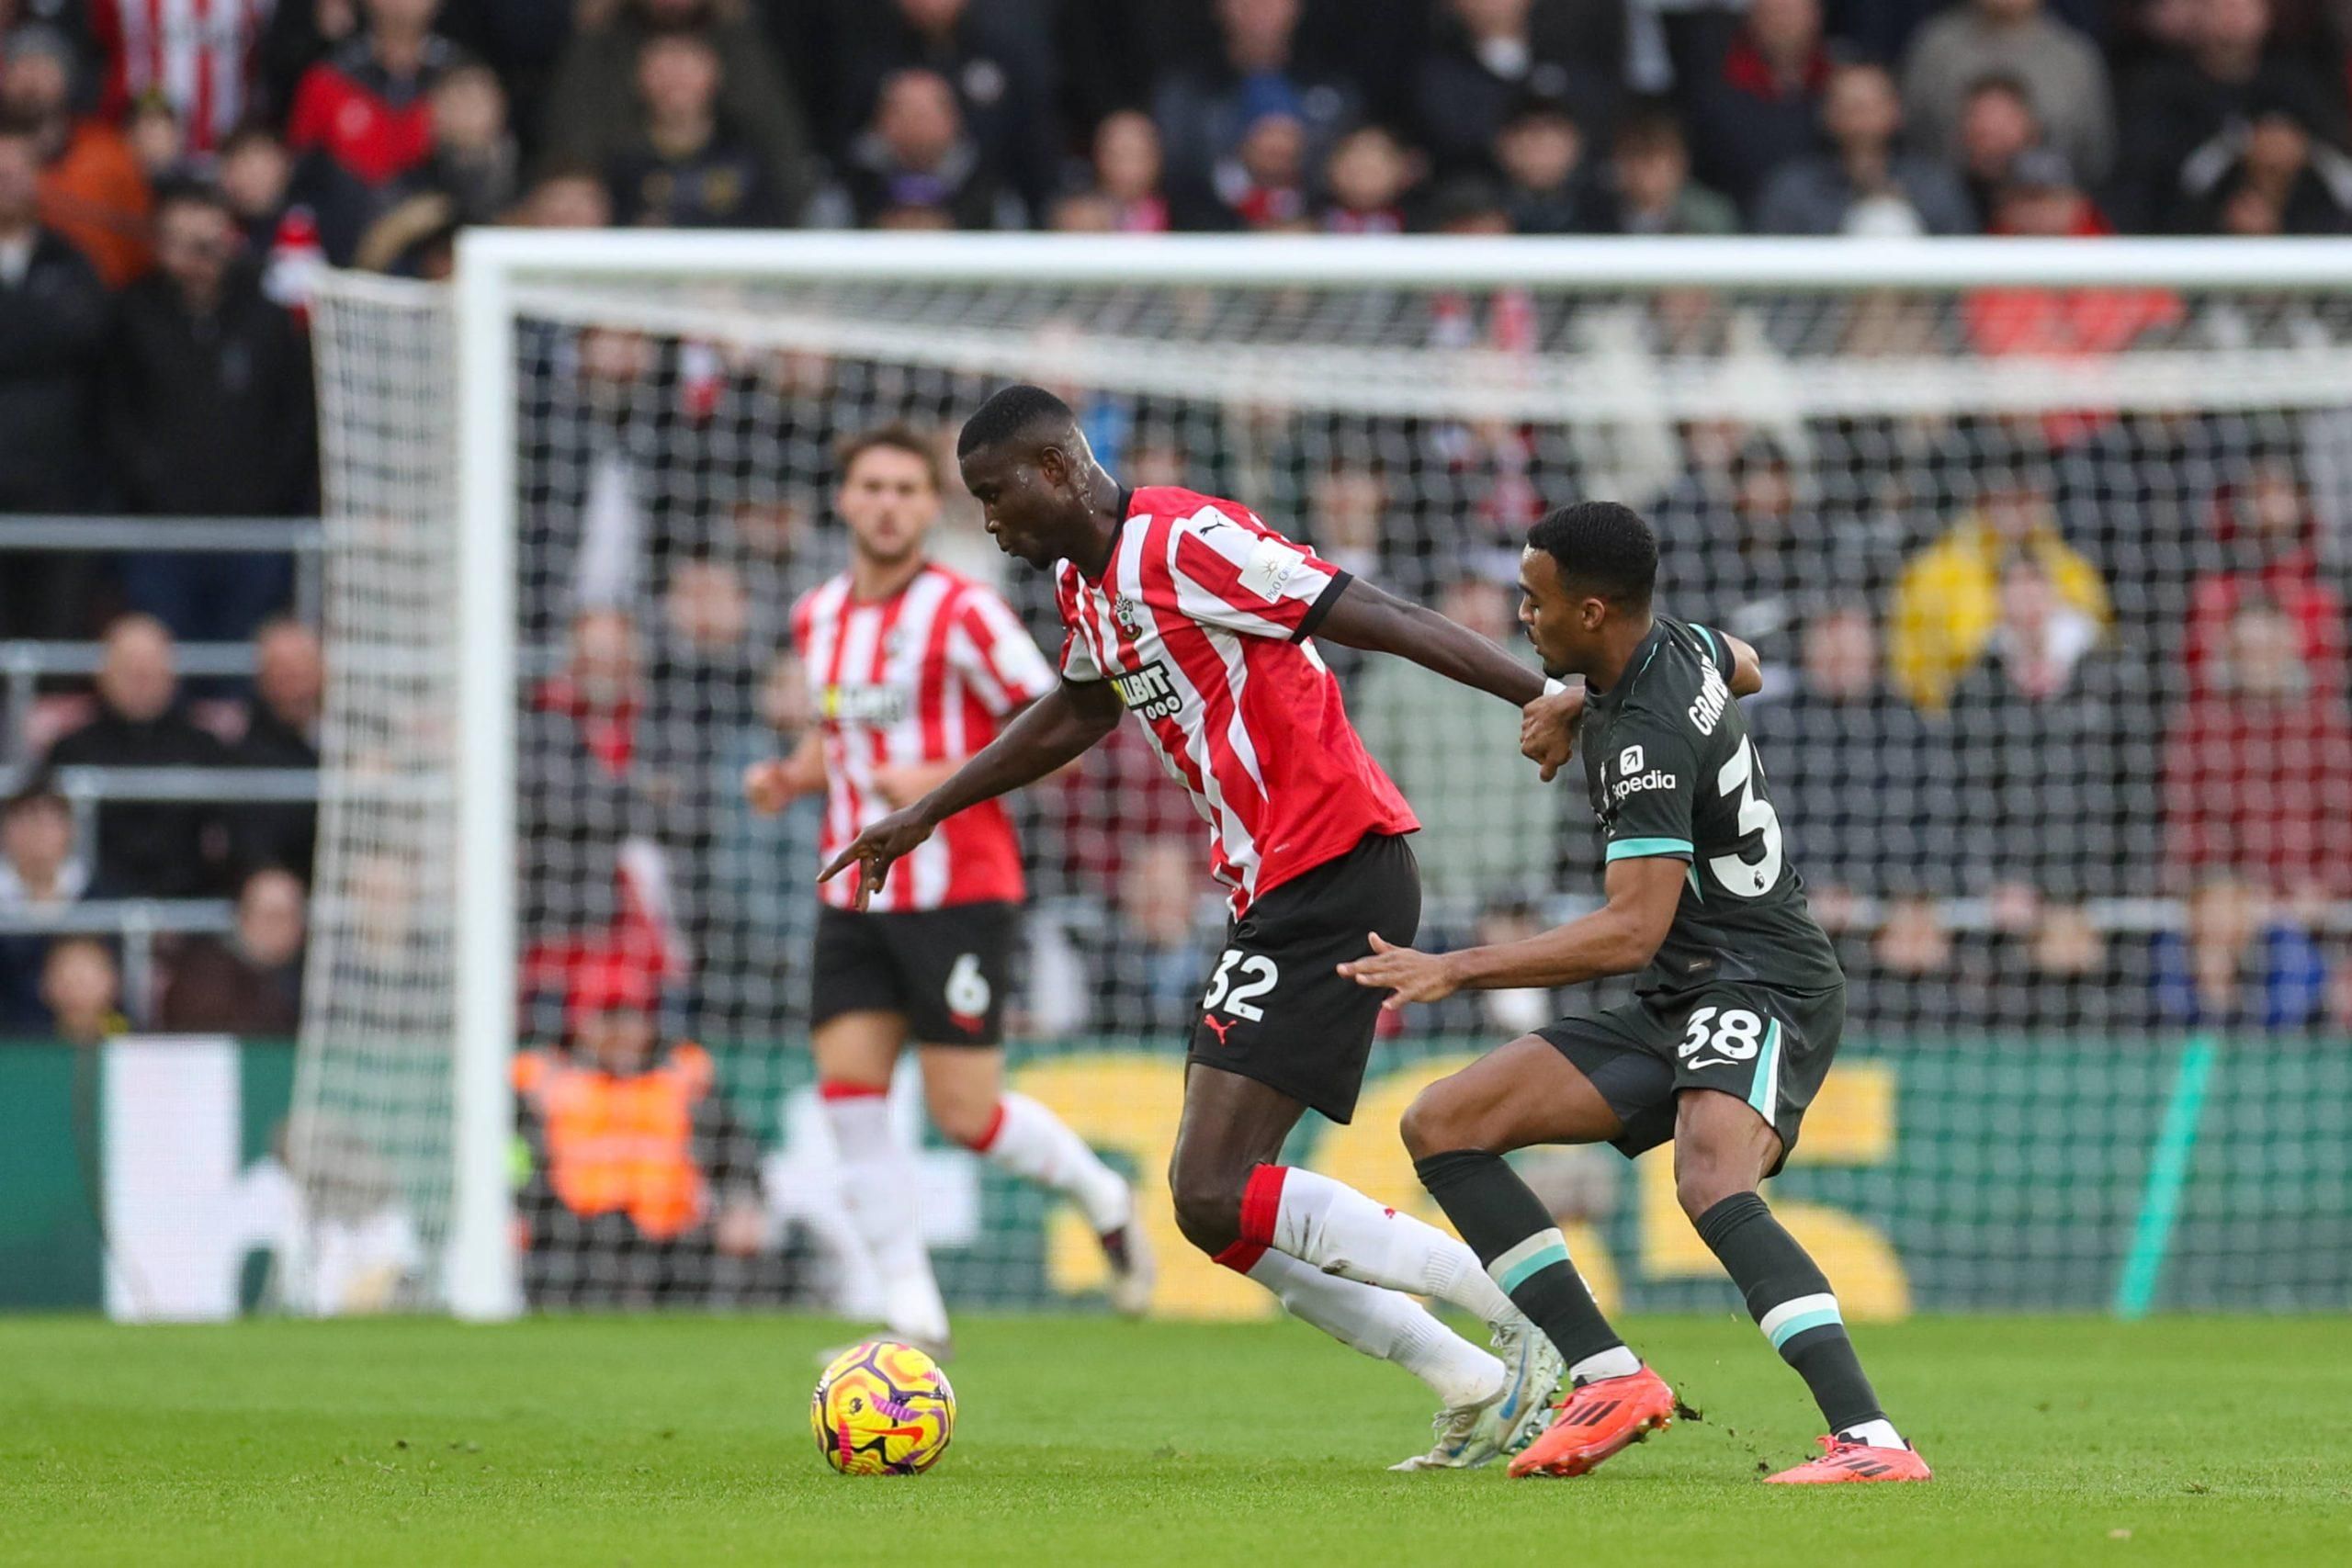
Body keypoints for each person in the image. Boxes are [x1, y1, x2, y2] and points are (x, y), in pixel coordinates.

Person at [823, 384, 1583, 1471]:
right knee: (1213, 1210)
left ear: (1057, 470)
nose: (987, 522)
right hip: (1274, 889)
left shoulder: (1185, 538)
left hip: (1339, 864)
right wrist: (928, 809)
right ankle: (1468, 1380)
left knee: (1212, 1187)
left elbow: (1383, 615)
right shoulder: (1084, 585)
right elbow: (1081, 708)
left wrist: (1542, 696)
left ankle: (1525, 1314)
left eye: (994, 494)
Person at [1340, 500, 1929, 1484]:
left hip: (1761, 980)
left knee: (1710, 1177)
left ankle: (1871, 1441)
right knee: (1444, 1123)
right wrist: (1579, 700)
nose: (1523, 616)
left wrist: (1456, 966)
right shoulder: (1677, 646)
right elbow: (1742, 660)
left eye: (1537, 600)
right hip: (1684, 990)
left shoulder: (1645, 740)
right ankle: (1609, 1376)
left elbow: (1628, 930)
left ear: (1594, 611)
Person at [742, 423, 1148, 1352]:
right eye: (871, 487)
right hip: (853, 892)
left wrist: (931, 774)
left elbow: (1060, 731)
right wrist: (792, 776)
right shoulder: (817, 615)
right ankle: (913, 1316)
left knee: (966, 1114)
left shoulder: (965, 611)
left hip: (960, 888)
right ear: (845, 500)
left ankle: (1100, 1192)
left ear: (931, 506)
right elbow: (842, 734)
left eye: (905, 489)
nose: (887, 505)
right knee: (850, 1095)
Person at [105, 178, 315, 642]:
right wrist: (152, 486)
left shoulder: (266, 318)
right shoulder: (131, 315)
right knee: (160, 655)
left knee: (243, 659)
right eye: (186, 244)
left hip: (252, 532)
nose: (200, 259)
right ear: (161, 244)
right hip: (160, 532)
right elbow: (115, 417)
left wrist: (266, 493)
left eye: (210, 244)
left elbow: (294, 420)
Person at [512, 953, 773, 1306]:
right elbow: (514, 1160)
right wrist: (519, 1209)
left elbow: (735, 1151)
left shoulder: (682, 1076)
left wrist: (742, 1203)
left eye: (631, 1017)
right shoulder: (543, 1081)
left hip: (675, 1245)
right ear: (581, 1022)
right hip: (572, 1243)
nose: (621, 1032)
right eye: (607, 1018)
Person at [0, 116, 110, 643]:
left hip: (58, 494)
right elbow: (59, 332)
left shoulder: (71, 261)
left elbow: (89, 333)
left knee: (55, 648)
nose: (7, 179)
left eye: (17, 168)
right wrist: (40, 324)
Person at [42, 615, 230, 897]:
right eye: (129, 669)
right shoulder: (71, 750)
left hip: (187, 899)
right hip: (95, 901)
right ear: (103, 675)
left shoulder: (204, 749)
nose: (140, 679)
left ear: (172, 674)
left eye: (150, 668)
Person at [1899, 0, 2113, 191]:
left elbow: (2095, 155)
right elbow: (1909, 135)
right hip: (1945, 201)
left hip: (2050, 204)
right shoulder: (1935, 48)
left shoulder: (2075, 57)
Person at [1753, 61, 1973, 237]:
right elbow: (1771, 271)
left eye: (1871, 106)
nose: (1861, 118)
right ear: (1827, 114)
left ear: (1896, 110)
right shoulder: (1793, 190)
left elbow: (1962, 265)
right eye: (1849, 106)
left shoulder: (1933, 186)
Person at [157, 864, 306, 1035]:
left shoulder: (315, 979)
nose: (281, 926)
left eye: (291, 915)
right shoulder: (206, 981)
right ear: (244, 917)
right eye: (272, 916)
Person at [0, 786, 90, 1035]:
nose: (38, 834)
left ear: (70, 830)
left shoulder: (97, 896)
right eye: (27, 820)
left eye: (49, 822)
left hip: (79, 1033)